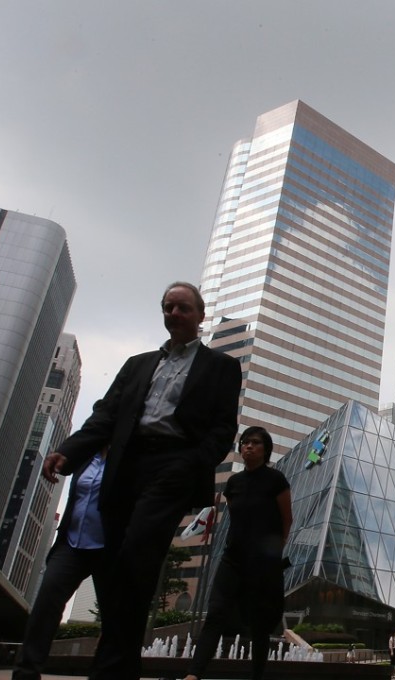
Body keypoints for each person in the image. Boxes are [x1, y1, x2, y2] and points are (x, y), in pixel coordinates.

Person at [42, 281, 241, 680]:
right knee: (118, 566)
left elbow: (223, 429)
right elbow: (106, 414)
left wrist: (191, 465)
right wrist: (71, 449)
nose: (174, 314)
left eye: (183, 308)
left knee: (136, 556)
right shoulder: (137, 364)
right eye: (168, 307)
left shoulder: (221, 366)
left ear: (200, 316)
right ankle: (122, 664)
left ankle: (110, 669)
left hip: (173, 467)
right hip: (126, 467)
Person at [183, 426, 292, 680]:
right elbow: (235, 519)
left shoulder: (276, 480)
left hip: (263, 563)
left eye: (255, 443)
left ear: (266, 450)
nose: (248, 446)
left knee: (260, 625)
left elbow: (287, 519)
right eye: (244, 442)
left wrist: (275, 551)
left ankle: (257, 675)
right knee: (216, 613)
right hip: (233, 558)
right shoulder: (233, 483)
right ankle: (193, 674)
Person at [13, 446, 109, 680]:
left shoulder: (129, 459)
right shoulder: (86, 457)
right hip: (71, 544)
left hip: (109, 548)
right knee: (46, 604)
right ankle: (26, 673)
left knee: (116, 617)